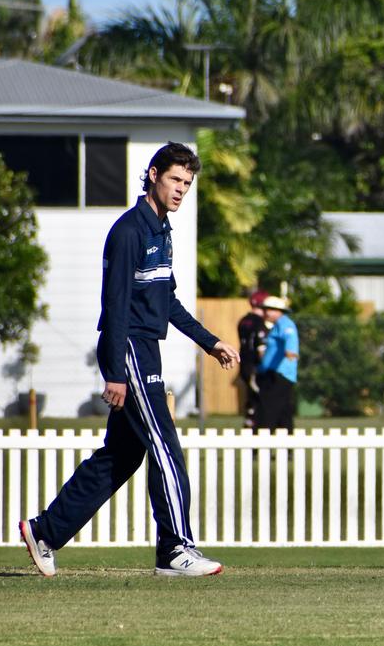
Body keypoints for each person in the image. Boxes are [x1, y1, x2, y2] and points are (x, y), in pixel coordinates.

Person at [19, 142, 241, 578]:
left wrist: (209, 342)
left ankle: (45, 530)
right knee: (165, 449)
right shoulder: (129, 231)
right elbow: (115, 304)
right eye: (176, 180)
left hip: (145, 348)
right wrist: (115, 373)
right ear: (154, 175)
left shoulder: (162, 230)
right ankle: (176, 550)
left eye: (188, 184)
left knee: (121, 456)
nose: (181, 190)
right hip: (130, 351)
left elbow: (168, 300)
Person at [254, 295, 299, 432]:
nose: (267, 312)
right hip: (273, 374)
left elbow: (290, 338)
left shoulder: (284, 323)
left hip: (279, 375)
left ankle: (261, 447)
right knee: (283, 413)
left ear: (281, 311)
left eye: (272, 309)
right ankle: (287, 450)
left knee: (268, 410)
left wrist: (290, 351)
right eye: (266, 309)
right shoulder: (276, 325)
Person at [237, 289, 270, 428]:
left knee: (251, 396)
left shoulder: (243, 321)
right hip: (255, 365)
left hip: (244, 362)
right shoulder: (259, 323)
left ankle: (250, 420)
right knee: (259, 397)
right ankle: (256, 426)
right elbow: (260, 347)